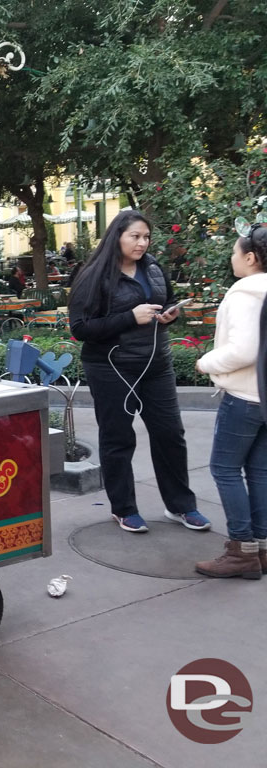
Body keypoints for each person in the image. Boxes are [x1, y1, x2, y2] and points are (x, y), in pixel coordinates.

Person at [68, 210, 211, 533]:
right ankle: (124, 508)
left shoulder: (154, 268)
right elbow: (80, 328)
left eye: (146, 237)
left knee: (170, 434)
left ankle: (181, 506)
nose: (142, 243)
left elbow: (167, 300)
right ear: (117, 236)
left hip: (156, 365)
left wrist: (170, 315)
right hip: (111, 368)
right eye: (135, 236)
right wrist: (130, 317)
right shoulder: (92, 275)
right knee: (118, 438)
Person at [194, 225, 267, 577]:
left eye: (236, 252)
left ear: (251, 258)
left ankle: (241, 551)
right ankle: (262, 548)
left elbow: (243, 349)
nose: (232, 258)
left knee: (225, 470)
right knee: (259, 472)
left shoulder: (245, 294)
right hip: (264, 397)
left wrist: (205, 362)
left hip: (243, 398)